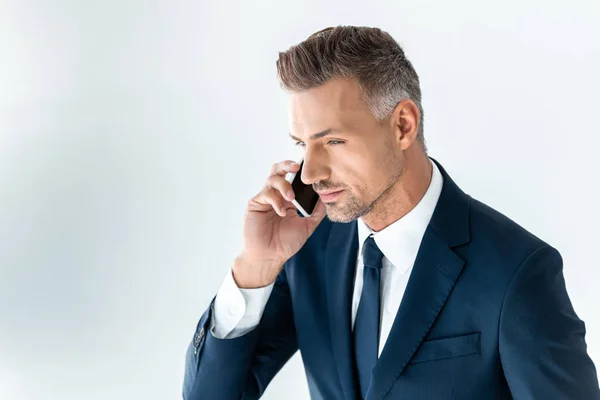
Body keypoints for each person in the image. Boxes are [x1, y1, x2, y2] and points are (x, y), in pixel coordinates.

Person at [182, 25, 600, 399]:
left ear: (403, 125)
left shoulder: (517, 273)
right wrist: (256, 265)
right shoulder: (308, 251)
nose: (310, 173)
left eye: (333, 142)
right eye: (300, 144)